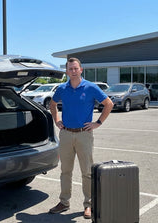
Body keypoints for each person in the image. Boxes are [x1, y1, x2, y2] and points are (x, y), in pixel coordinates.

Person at [48, 57, 113, 219]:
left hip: (84, 135)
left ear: (81, 70)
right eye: (70, 69)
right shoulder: (62, 88)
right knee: (65, 171)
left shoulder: (91, 87)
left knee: (87, 172)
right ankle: (64, 202)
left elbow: (109, 103)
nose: (73, 71)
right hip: (66, 134)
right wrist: (57, 120)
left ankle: (88, 205)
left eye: (75, 68)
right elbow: (52, 104)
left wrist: (97, 123)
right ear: (66, 71)